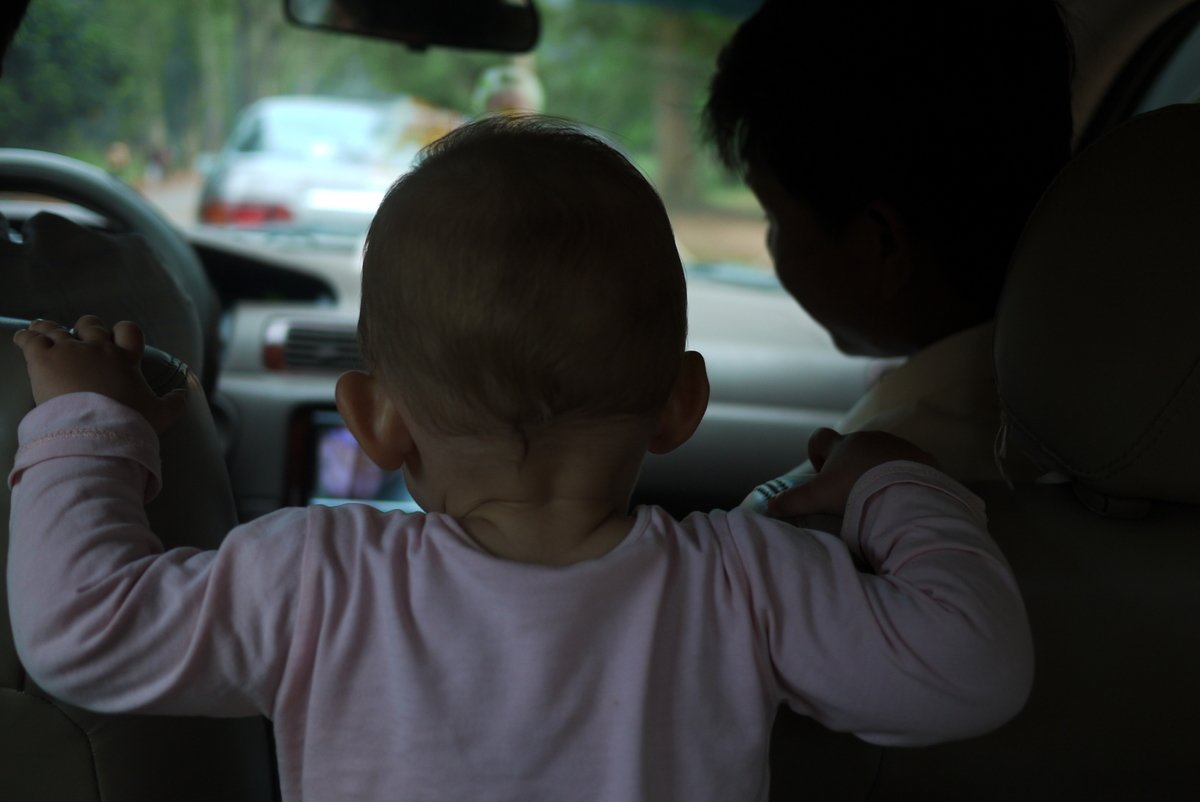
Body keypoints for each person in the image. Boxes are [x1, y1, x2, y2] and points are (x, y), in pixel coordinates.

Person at [8, 114, 1032, 801]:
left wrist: (89, 425)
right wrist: (895, 482)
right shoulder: (747, 580)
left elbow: (77, 631)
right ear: (681, 404)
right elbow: (974, 669)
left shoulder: (313, 579)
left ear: (374, 418)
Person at [703, 0, 1075, 513]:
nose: (771, 245)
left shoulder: (823, 511)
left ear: (883, 243)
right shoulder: (1087, 426)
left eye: (775, 218)